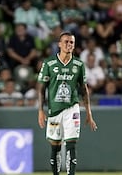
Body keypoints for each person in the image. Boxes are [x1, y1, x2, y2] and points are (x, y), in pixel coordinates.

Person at [37, 31, 97, 175]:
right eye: (66, 42)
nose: (69, 44)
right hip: (54, 109)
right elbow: (41, 88)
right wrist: (40, 110)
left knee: (71, 143)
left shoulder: (78, 64)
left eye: (71, 42)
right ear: (59, 44)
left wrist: (89, 112)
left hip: (72, 108)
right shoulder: (49, 63)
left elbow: (84, 90)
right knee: (55, 145)